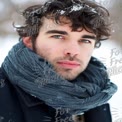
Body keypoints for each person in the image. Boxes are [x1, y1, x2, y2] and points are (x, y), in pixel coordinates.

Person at [0, 0, 117, 122]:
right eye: (58, 36)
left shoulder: (95, 95)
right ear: (29, 41)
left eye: (86, 40)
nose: (73, 51)